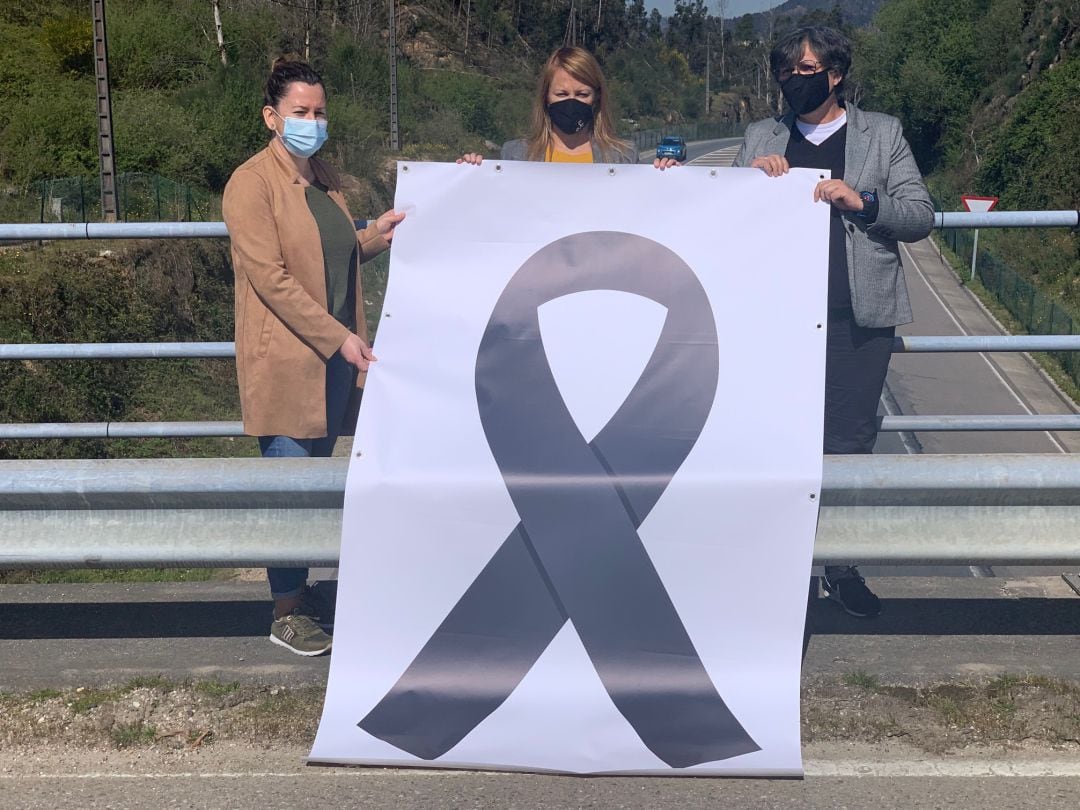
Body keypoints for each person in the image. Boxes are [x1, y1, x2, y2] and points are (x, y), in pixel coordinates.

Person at [734, 26, 933, 618]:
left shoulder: (883, 133)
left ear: (836, 73)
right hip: (775, 321)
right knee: (773, 444)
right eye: (788, 71)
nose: (798, 79)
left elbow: (919, 215)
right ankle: (779, 568)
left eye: (809, 68)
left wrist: (862, 202)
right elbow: (724, 217)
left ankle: (841, 565)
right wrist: (751, 184)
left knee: (847, 445)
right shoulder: (759, 136)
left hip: (856, 317)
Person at [222, 58, 405, 655]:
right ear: (271, 117)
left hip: (328, 361)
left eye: (319, 111)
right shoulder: (250, 183)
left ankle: (301, 593)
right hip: (288, 361)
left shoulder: (321, 176)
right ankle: (283, 612)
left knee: (318, 483)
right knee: (289, 488)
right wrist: (338, 337)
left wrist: (378, 233)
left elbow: (334, 253)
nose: (312, 121)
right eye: (300, 112)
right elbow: (272, 279)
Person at [459, 46, 678, 169]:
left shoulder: (623, 156)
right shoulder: (515, 154)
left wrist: (671, 180)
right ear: (546, 97)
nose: (571, 102)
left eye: (582, 94)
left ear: (596, 98)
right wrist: (469, 174)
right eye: (561, 94)